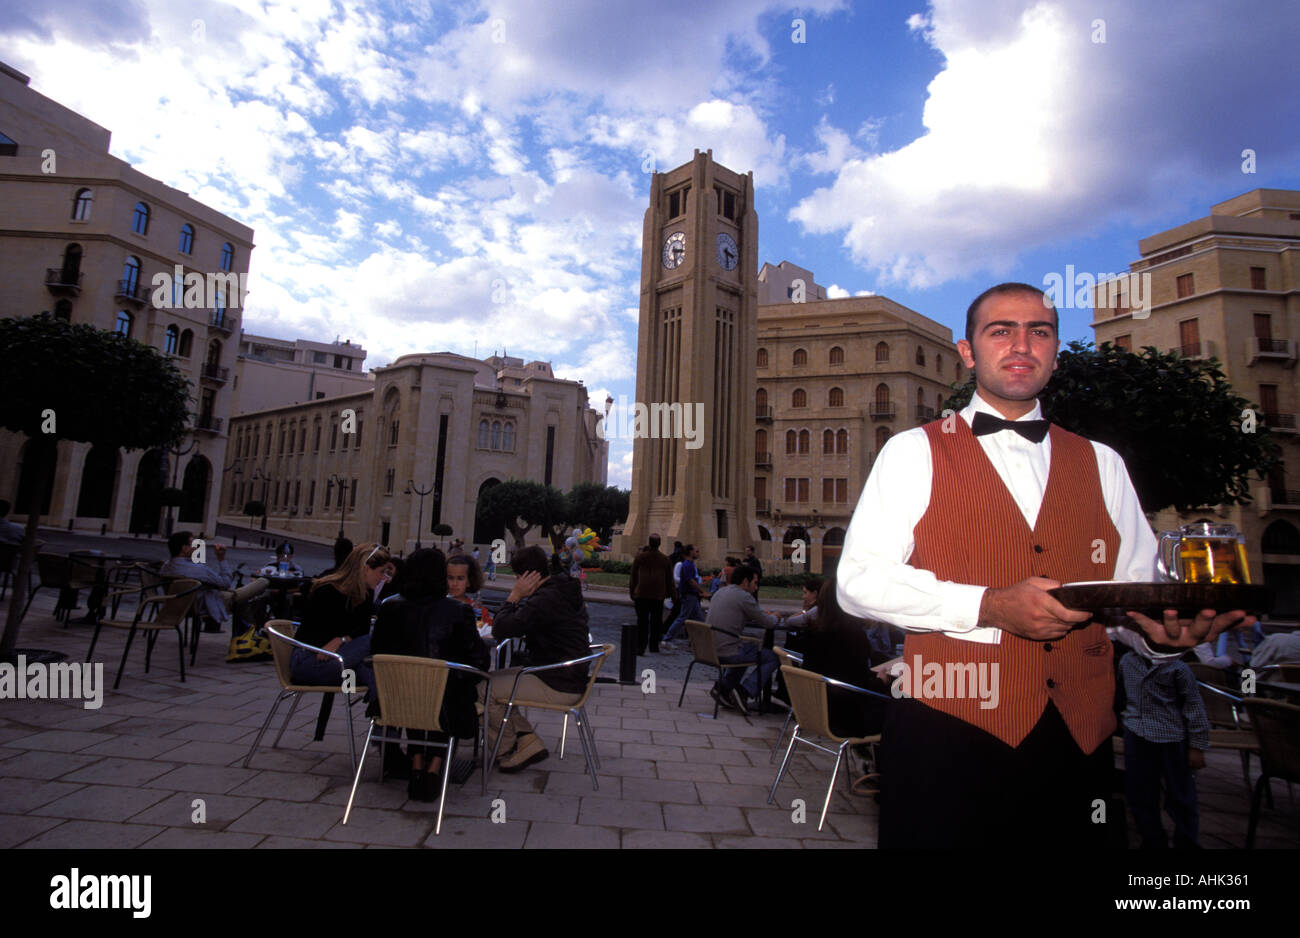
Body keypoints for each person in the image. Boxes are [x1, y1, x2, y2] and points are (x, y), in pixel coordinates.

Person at [835, 282, 1253, 849]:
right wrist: (990, 606)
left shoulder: (1103, 463)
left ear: (1055, 352)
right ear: (968, 351)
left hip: (1079, 741)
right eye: (1000, 330)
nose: (1021, 344)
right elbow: (859, 582)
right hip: (948, 732)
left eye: (1040, 331)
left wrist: (1165, 638)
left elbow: (1131, 598)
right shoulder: (912, 451)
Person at [370, 548, 491, 800]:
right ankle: (435, 764)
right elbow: (480, 662)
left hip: (394, 702)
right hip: (444, 706)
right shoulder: (458, 611)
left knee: (420, 687)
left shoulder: (388, 608)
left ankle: (416, 761)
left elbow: (376, 654)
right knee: (444, 688)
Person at [487, 546, 591, 772]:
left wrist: (514, 595)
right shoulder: (561, 590)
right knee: (493, 682)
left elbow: (501, 629)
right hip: (566, 675)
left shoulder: (546, 599)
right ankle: (525, 740)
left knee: (484, 688)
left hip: (557, 681)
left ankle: (507, 747)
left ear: (525, 577)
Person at [1118, 649, 1209, 848]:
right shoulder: (1127, 661)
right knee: (1140, 792)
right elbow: (1121, 694)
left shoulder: (1178, 668)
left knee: (1180, 794)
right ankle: (1152, 838)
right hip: (1136, 732)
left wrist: (1197, 746)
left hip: (1171, 736)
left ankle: (1187, 840)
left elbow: (1194, 707)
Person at [291, 542, 391, 711]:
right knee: (380, 637)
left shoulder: (364, 595)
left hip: (343, 671)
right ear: (366, 569)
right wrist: (342, 640)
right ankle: (384, 723)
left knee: (381, 680)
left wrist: (342, 640)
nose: (384, 578)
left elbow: (359, 635)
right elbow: (318, 643)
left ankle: (383, 726)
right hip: (309, 665)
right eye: (381, 572)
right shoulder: (327, 591)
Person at [706, 564, 780, 714]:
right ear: (746, 582)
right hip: (727, 652)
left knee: (745, 648)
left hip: (709, 650)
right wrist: (776, 615)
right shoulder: (744, 597)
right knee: (773, 657)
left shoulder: (721, 592)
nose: (756, 587)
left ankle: (724, 688)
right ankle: (744, 691)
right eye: (755, 583)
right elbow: (769, 622)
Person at [160, 530, 268, 630]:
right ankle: (253, 633)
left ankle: (251, 633)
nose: (196, 548)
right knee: (263, 582)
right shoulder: (197, 569)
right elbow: (226, 583)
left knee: (244, 602)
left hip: (179, 604)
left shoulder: (166, 566)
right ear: (185, 548)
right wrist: (221, 558)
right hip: (207, 603)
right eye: (194, 545)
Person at [629, 533, 674, 654]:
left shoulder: (640, 557)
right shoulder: (665, 559)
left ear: (649, 542)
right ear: (659, 544)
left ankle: (640, 647)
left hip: (642, 594)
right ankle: (653, 646)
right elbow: (669, 579)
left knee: (642, 621)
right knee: (656, 622)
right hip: (657, 595)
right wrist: (671, 594)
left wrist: (632, 591)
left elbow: (633, 576)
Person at [661, 544, 703, 647]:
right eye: (696, 551)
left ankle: (696, 641)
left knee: (698, 619)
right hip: (689, 595)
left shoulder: (690, 564)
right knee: (683, 617)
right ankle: (667, 639)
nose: (698, 553)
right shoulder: (687, 564)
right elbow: (690, 581)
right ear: (690, 552)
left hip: (692, 595)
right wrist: (702, 591)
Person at [446, 553, 493, 632]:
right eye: (450, 578)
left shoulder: (477, 610)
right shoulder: (437, 605)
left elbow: (487, 632)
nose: (454, 584)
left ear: (469, 581)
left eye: (460, 578)